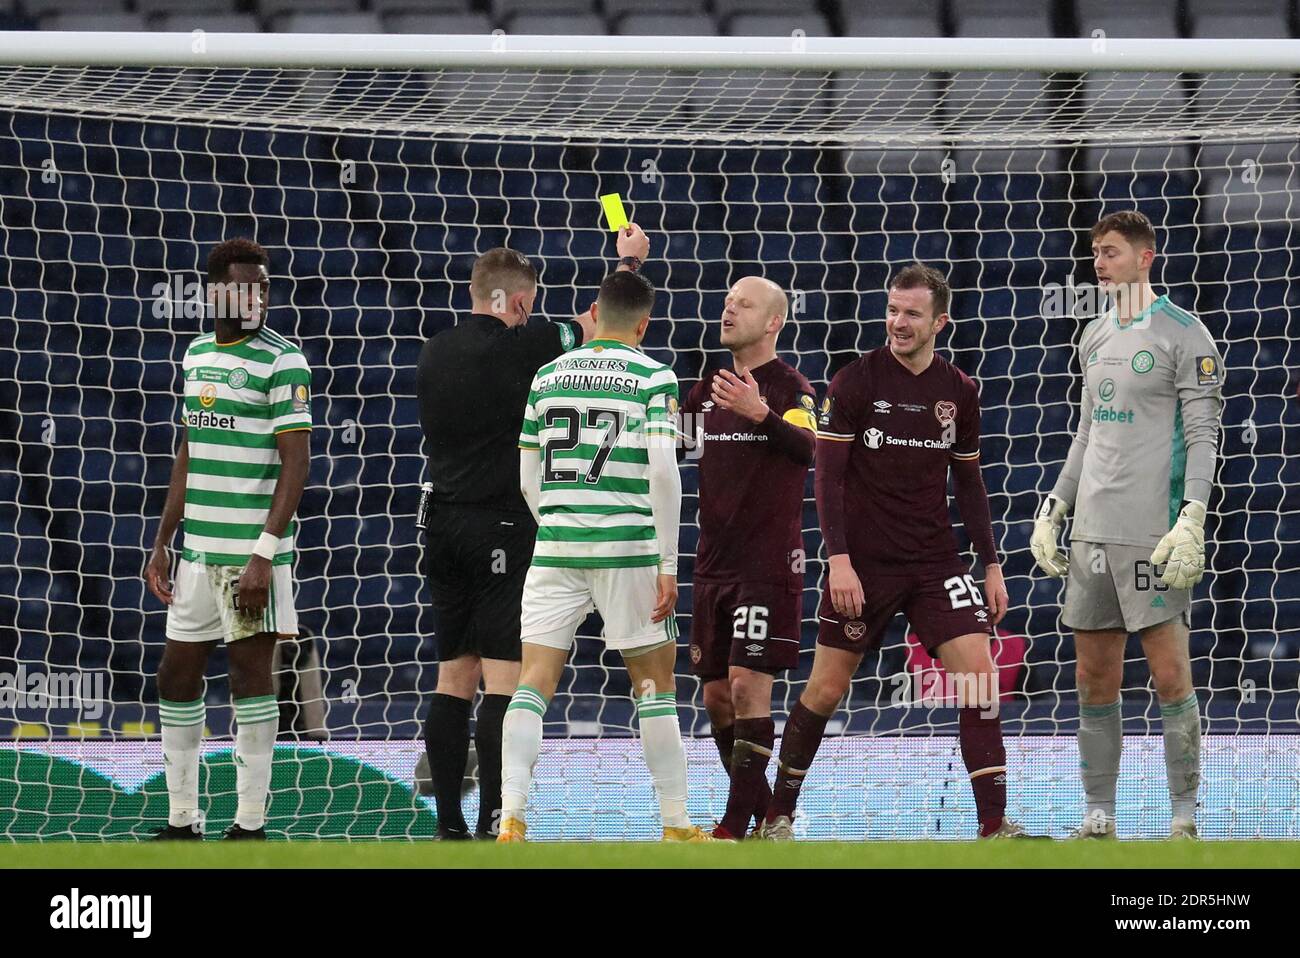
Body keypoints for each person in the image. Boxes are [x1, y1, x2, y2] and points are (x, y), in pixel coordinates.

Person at [763, 263, 1034, 840]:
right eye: (892, 310)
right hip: (864, 566)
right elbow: (827, 479)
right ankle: (778, 813)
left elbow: (969, 483)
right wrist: (839, 561)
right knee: (826, 689)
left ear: (940, 320)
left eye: (912, 313)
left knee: (982, 680)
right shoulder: (855, 382)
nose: (898, 322)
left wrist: (990, 563)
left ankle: (994, 825)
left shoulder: (959, 391)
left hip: (936, 563)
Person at [416, 226, 649, 839]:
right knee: (503, 679)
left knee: (451, 678)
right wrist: (626, 260)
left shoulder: (433, 349)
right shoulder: (534, 344)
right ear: (519, 303)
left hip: (439, 526)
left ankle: (447, 828)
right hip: (500, 526)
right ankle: (499, 816)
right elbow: (606, 323)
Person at [499, 270, 712, 843]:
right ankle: (674, 822)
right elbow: (665, 473)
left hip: (556, 550)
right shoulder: (653, 376)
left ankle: (511, 817)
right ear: (644, 324)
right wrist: (667, 564)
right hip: (629, 551)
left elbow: (526, 480)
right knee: (653, 686)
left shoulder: (547, 377)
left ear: (593, 310)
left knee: (533, 681)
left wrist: (563, 524)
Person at [1032, 210, 1225, 840]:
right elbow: (1088, 432)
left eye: (1110, 252)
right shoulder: (1091, 334)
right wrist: (1055, 508)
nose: (1099, 261)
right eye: (1094, 253)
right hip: (1091, 532)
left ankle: (1184, 818)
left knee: (1170, 674)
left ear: (1146, 257)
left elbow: (1202, 436)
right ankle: (1099, 816)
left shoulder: (1185, 334)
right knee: (1093, 677)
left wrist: (1192, 514)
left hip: (1155, 533)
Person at [145, 238, 312, 840]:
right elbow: (188, 451)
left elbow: (297, 465)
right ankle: (182, 818)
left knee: (250, 680)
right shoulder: (194, 355)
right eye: (246, 285)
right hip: (196, 554)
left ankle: (249, 824)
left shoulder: (283, 361)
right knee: (175, 676)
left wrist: (265, 555)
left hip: (249, 557)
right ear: (216, 291)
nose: (257, 296)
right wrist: (163, 538)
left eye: (264, 285)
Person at [680, 276, 816, 840]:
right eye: (727, 300)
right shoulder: (703, 391)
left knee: (745, 687)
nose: (729, 308)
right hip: (712, 564)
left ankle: (735, 828)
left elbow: (811, 451)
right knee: (715, 699)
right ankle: (770, 817)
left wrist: (762, 414)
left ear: (774, 323)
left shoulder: (793, 387)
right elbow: (675, 452)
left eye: (745, 304)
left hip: (767, 563)